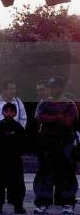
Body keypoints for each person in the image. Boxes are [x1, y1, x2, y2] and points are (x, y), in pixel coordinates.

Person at [33, 76, 78, 215]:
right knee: (44, 173)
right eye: (51, 86)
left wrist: (51, 118)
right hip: (47, 144)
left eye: (54, 86)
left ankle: (67, 203)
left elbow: (70, 121)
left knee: (67, 174)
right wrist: (57, 117)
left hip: (65, 144)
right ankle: (42, 203)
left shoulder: (70, 104)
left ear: (61, 88)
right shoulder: (44, 103)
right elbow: (39, 117)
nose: (52, 89)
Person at [0, 103, 26, 214]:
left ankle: (18, 205)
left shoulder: (18, 127)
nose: (9, 114)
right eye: (7, 111)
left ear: (15, 113)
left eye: (11, 111)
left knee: (17, 184)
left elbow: (23, 143)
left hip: (14, 160)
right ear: (3, 112)